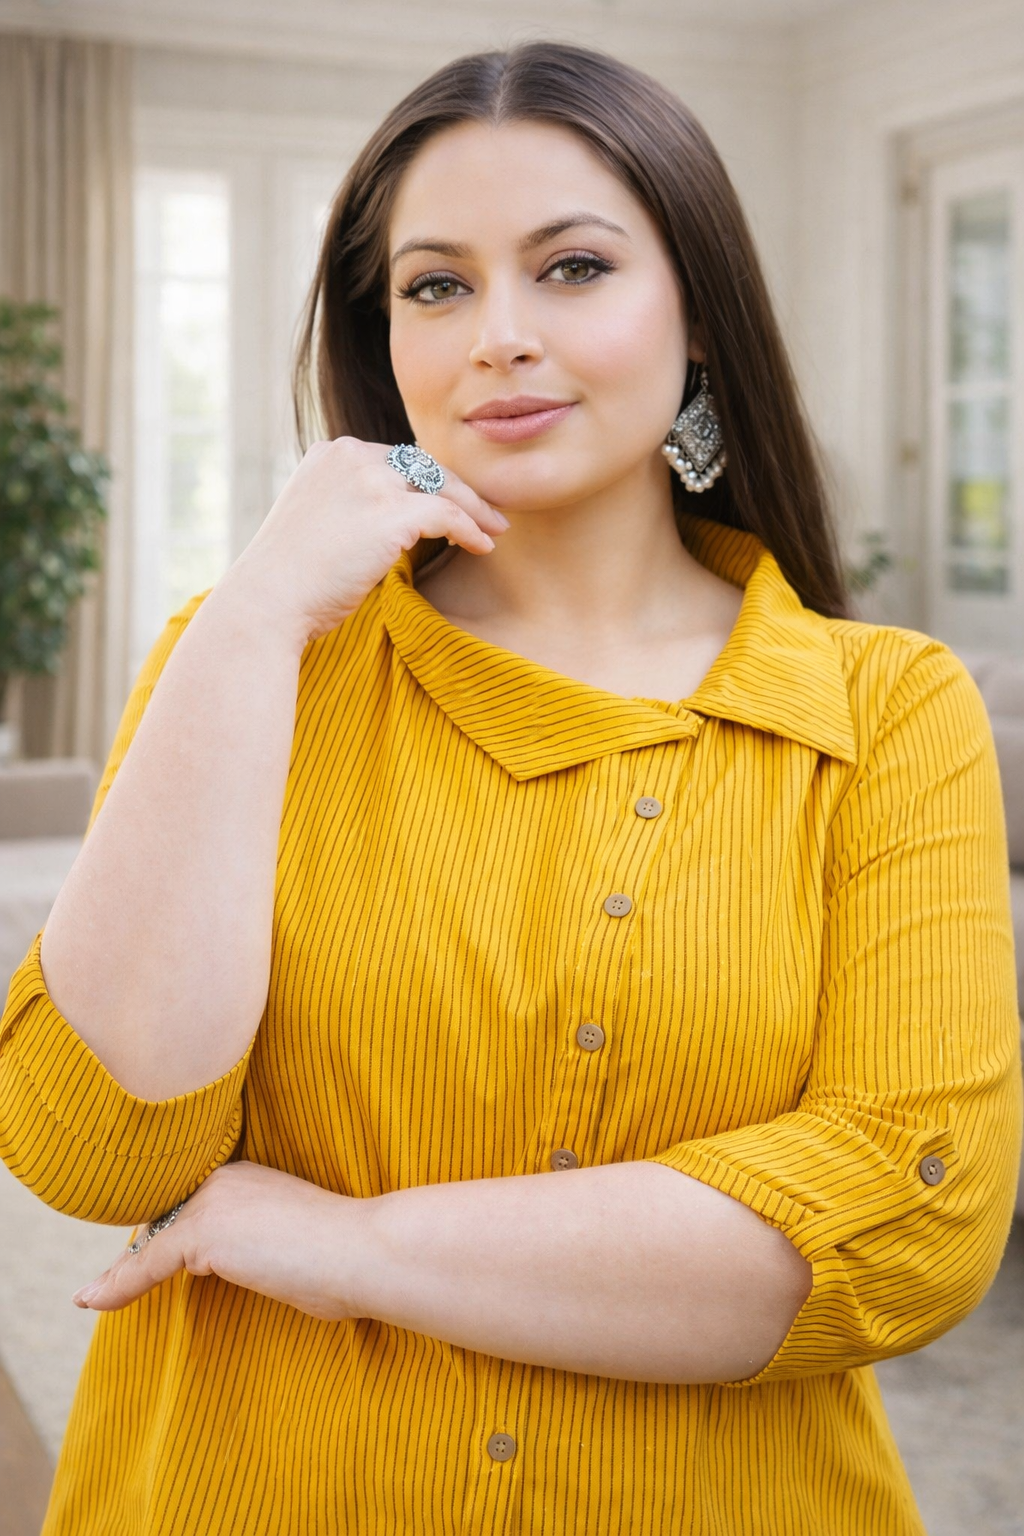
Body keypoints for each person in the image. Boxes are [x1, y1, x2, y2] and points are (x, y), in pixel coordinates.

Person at [0, 39, 1020, 1536]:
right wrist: (256, 621)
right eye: (436, 285)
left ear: (700, 320)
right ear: (386, 337)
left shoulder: (895, 713)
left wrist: (345, 1248)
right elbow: (100, 1145)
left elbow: (908, 1216)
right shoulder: (238, 668)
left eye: (574, 268)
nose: (497, 337)